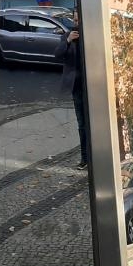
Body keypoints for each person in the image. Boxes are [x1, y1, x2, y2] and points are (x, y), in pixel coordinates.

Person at [54, 11, 87, 169]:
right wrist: (68, 40)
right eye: (74, 20)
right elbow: (58, 54)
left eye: (78, 19)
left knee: (93, 124)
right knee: (81, 124)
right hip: (77, 87)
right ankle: (85, 158)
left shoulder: (90, 34)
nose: (76, 23)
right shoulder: (67, 36)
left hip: (92, 86)